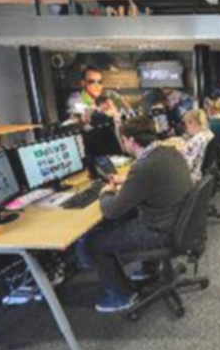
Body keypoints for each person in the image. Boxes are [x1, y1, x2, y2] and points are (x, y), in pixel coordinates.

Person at [82, 115, 193, 313]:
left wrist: (105, 193)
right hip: (178, 222)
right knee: (131, 214)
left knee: (93, 243)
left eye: (122, 140)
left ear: (130, 140)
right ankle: (149, 270)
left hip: (161, 229)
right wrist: (129, 182)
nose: (122, 143)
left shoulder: (145, 166)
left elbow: (112, 211)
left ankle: (121, 295)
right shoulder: (168, 152)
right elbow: (150, 183)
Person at [178, 109, 214, 183]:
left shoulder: (196, 141)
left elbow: (186, 164)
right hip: (200, 171)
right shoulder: (208, 133)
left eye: (186, 125)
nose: (186, 129)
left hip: (192, 177)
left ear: (192, 123)